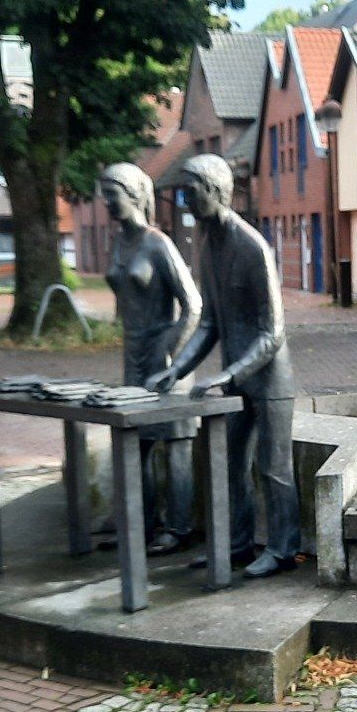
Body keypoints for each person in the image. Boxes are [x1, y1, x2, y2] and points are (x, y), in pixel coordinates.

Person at [147, 154, 302, 579]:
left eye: (191, 191)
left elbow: (273, 332)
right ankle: (237, 544)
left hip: (268, 380)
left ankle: (283, 549)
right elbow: (210, 323)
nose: (185, 199)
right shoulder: (207, 246)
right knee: (232, 464)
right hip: (235, 379)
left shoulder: (252, 247)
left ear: (216, 191)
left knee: (274, 468)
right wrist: (177, 369)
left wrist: (229, 374)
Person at [100, 162, 201, 554]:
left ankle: (178, 529)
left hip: (164, 356)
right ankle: (139, 524)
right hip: (133, 352)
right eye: (105, 195)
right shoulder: (119, 242)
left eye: (114, 195)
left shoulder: (158, 243)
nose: (107, 203)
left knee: (175, 443)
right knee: (135, 441)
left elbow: (193, 305)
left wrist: (172, 352)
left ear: (135, 196)